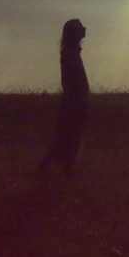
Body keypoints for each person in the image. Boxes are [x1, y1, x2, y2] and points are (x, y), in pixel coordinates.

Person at [39, 18, 89, 174]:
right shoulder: (69, 53)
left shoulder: (71, 52)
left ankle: (64, 166)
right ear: (73, 33)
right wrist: (78, 98)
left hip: (75, 99)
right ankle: (55, 165)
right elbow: (72, 80)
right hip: (74, 100)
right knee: (68, 133)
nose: (84, 30)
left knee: (69, 133)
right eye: (80, 28)